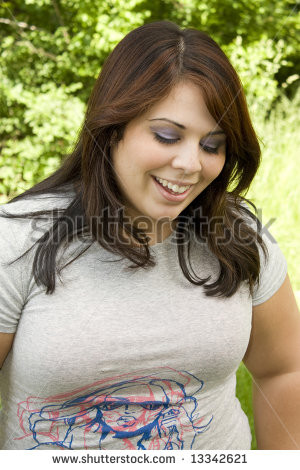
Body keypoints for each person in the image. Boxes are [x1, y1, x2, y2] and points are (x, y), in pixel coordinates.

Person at [0, 20, 299, 451]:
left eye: (212, 145)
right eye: (167, 136)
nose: (190, 164)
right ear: (113, 128)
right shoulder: (17, 240)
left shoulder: (243, 239)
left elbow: (284, 370)